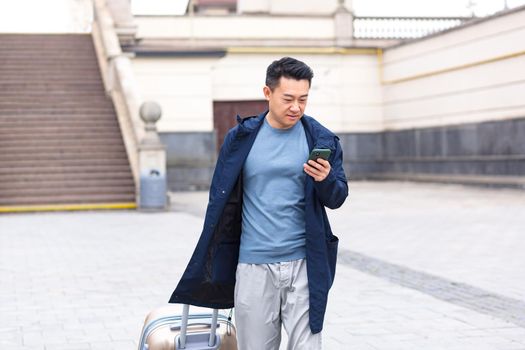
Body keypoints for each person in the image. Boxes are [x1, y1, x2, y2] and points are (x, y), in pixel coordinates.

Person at [169, 57, 348, 349]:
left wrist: (325, 179)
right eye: (288, 98)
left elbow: (338, 197)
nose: (296, 107)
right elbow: (219, 199)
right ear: (268, 93)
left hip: (305, 262)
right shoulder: (240, 139)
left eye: (303, 99)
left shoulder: (320, 139)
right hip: (254, 265)